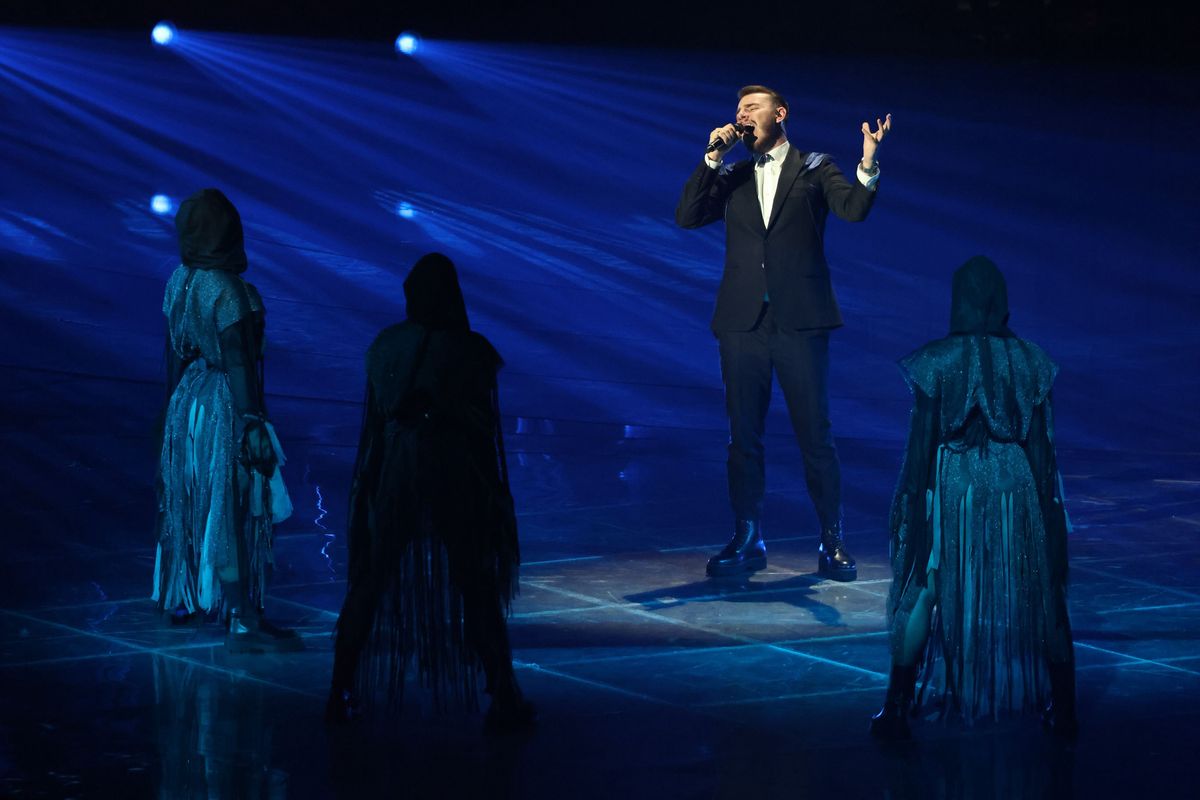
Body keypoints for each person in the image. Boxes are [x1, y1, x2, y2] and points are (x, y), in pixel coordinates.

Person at [676, 85, 892, 580]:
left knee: (815, 435)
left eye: (751, 107)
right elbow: (687, 217)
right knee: (743, 437)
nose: (742, 115)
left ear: (781, 113)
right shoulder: (731, 176)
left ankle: (831, 538)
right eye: (738, 110)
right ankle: (747, 535)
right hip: (743, 322)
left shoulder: (815, 167)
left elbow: (854, 208)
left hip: (800, 319)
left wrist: (869, 162)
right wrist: (710, 158)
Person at [869, 256, 1077, 740]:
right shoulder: (1031, 360)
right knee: (1043, 589)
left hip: (955, 482)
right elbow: (1042, 449)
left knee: (928, 585)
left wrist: (912, 509)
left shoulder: (936, 360)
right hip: (1016, 481)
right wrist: (1050, 516)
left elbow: (920, 444)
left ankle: (897, 708)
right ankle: (1065, 707)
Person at [326, 253, 534, 732]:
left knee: (373, 577)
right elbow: (484, 433)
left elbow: (375, 429)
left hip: (398, 467)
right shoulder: (470, 351)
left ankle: (338, 690)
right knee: (473, 579)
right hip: (452, 469)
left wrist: (371, 487)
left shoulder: (385, 349)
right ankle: (504, 693)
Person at [153, 188, 297, 653]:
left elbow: (173, 352)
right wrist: (252, 419)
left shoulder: (180, 279)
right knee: (230, 507)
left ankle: (185, 598)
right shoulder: (228, 288)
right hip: (221, 404)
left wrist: (170, 412)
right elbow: (238, 361)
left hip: (187, 401)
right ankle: (242, 613)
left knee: (191, 500)